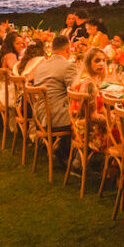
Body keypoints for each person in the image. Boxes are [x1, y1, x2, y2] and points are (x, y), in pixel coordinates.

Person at [31, 35, 79, 164]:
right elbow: (75, 91)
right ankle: (76, 159)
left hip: (39, 114)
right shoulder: (68, 66)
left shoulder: (41, 66)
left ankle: (62, 150)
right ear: (68, 50)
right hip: (56, 116)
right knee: (84, 114)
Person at [73, 47, 109, 153]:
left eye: (103, 61)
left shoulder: (84, 78)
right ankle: (114, 164)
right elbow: (93, 116)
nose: (101, 64)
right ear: (89, 63)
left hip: (78, 125)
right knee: (123, 127)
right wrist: (112, 120)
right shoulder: (89, 84)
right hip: (87, 130)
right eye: (97, 61)